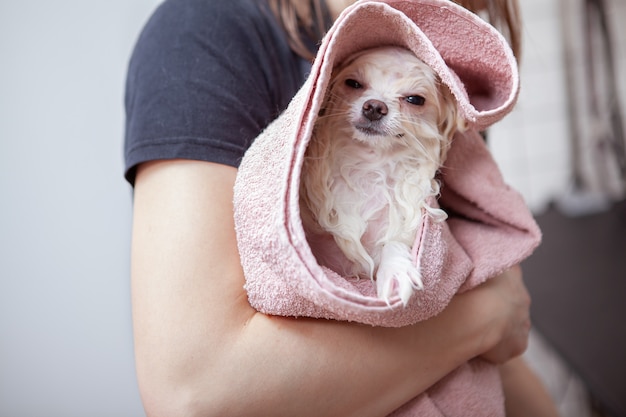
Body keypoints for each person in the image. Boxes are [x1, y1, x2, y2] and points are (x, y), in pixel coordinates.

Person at [124, 0, 558, 415]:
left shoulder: (441, 70)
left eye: (413, 99)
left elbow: (483, 355)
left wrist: (489, 321)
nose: (376, 103)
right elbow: (194, 395)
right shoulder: (203, 33)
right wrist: (485, 317)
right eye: (353, 84)